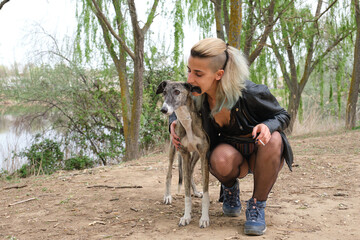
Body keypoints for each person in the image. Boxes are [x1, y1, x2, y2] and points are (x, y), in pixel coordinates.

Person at [169, 38, 293, 236]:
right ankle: (229, 189)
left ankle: (256, 206)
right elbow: (177, 109)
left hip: (258, 150)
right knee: (219, 159)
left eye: (198, 74)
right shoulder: (196, 94)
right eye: (189, 70)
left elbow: (283, 115)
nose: (190, 79)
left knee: (275, 139)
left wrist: (268, 126)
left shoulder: (250, 93)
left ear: (219, 74)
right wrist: (173, 125)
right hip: (229, 153)